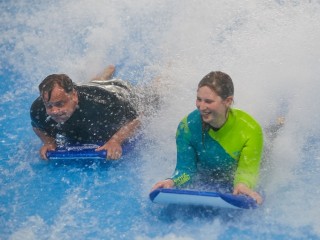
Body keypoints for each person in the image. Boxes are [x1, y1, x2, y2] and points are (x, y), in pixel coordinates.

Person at [152, 71, 264, 204]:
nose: (201, 107)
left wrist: (243, 184)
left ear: (228, 101)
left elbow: (247, 171)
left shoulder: (250, 130)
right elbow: (186, 169)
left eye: (208, 101)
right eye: (199, 99)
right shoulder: (187, 127)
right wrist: (172, 181)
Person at [30, 65, 141, 160]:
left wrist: (115, 140)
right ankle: (102, 75)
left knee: (148, 97)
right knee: (92, 84)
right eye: (49, 106)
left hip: (119, 90)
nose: (54, 111)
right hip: (89, 89)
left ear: (74, 96)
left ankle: (157, 81)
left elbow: (137, 118)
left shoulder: (103, 102)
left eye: (60, 104)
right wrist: (49, 142)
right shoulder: (38, 109)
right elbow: (37, 127)